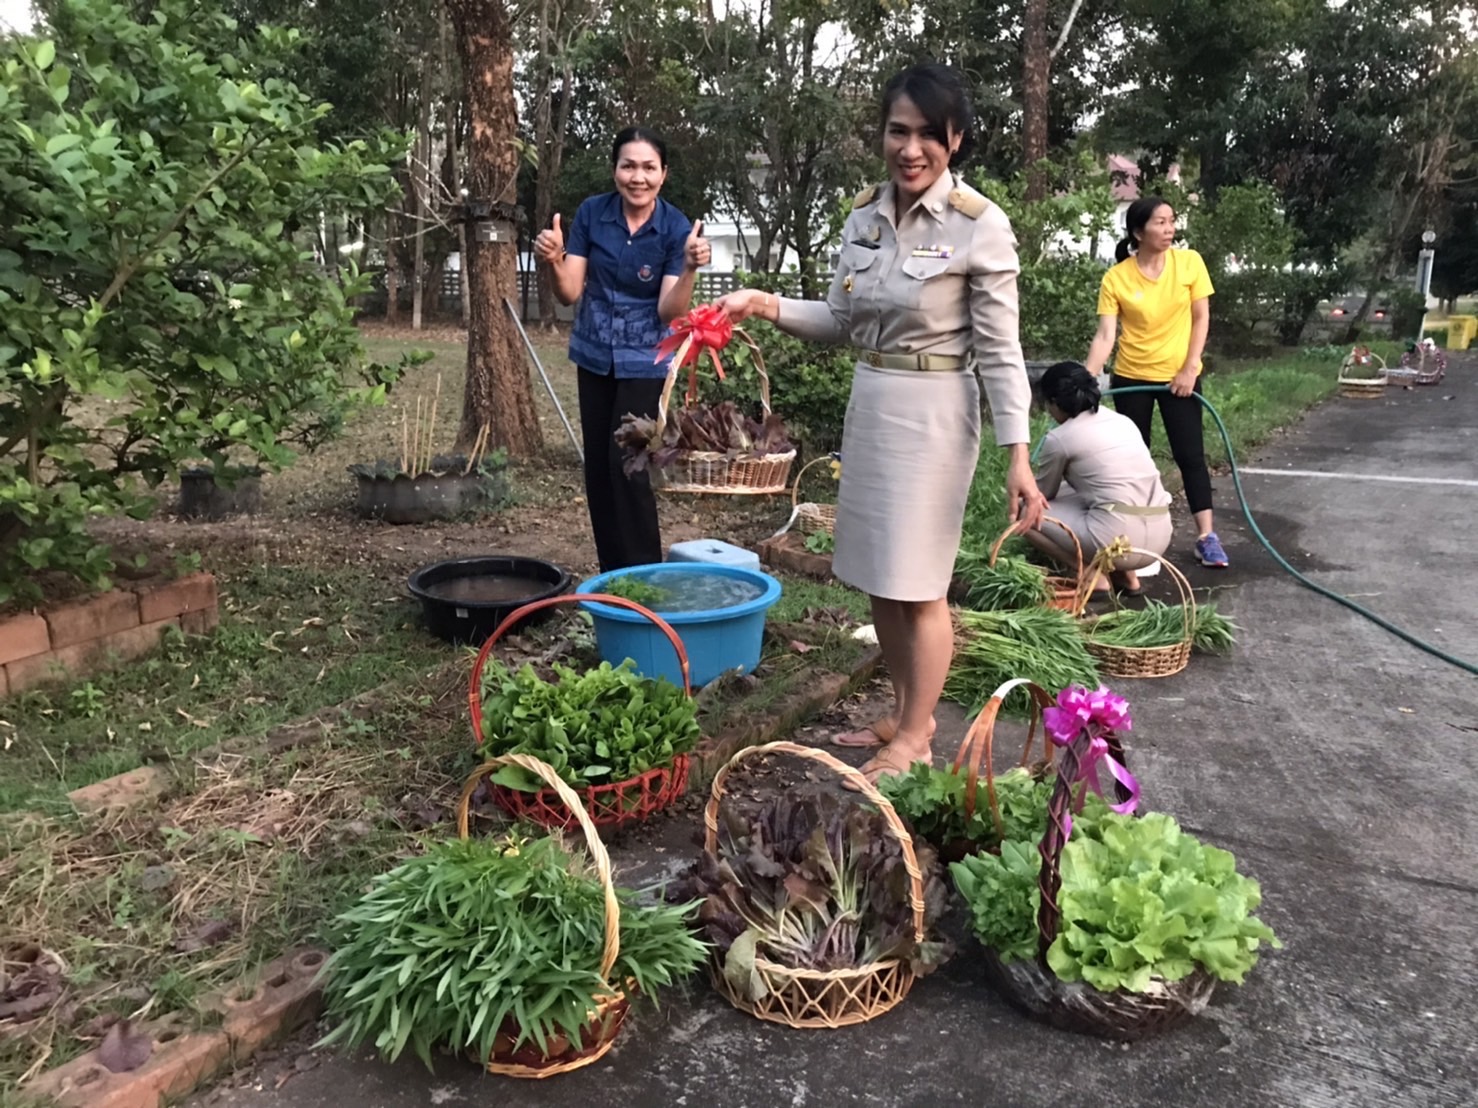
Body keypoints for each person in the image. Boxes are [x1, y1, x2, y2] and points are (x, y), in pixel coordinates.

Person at [716, 63, 1045, 784]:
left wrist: (1018, 455)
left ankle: (920, 734)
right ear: (884, 135)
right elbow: (842, 320)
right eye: (899, 131)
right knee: (878, 578)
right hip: (873, 401)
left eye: (929, 133)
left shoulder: (978, 227)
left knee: (919, 584)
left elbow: (1001, 351)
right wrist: (766, 304)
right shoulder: (865, 216)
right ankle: (903, 707)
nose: (911, 147)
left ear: (954, 139)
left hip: (935, 414)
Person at [533, 126, 709, 572]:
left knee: (628, 469)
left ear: (663, 174)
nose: (638, 177)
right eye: (628, 165)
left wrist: (688, 267)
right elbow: (570, 292)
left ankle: (645, 576)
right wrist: (553, 261)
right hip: (594, 356)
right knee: (598, 471)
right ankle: (613, 578)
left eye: (648, 167)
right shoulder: (593, 214)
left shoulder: (673, 227)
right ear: (615, 170)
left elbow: (671, 311)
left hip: (644, 362)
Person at [1084, 196, 1227, 568]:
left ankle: (1206, 537)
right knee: (1135, 461)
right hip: (1132, 376)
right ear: (1137, 231)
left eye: (1171, 221)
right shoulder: (1117, 277)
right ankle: (1140, 545)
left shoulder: (1189, 263)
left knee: (1190, 456)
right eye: (1160, 223)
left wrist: (1190, 367)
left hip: (1181, 377)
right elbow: (1105, 337)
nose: (1169, 229)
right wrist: (1085, 381)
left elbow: (1201, 318)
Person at [1024, 361, 1172, 597]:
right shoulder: (1123, 421)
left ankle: (1092, 575)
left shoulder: (1060, 438)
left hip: (1118, 540)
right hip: (1160, 537)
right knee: (1104, 495)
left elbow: (1042, 494)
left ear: (1054, 402)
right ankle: (1127, 578)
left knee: (1025, 512)